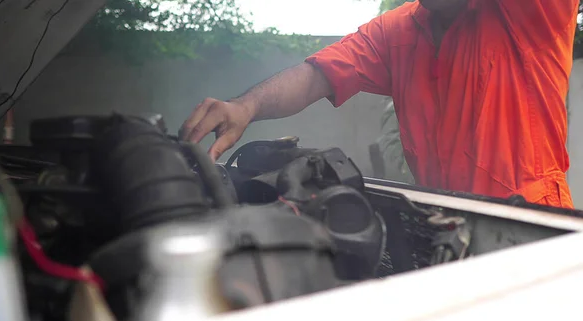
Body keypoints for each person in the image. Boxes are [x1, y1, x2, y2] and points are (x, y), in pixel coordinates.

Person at [180, 0, 578, 209]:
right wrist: (245, 106)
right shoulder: (396, 31)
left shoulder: (531, 13)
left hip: (533, 226)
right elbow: (318, 75)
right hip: (446, 226)